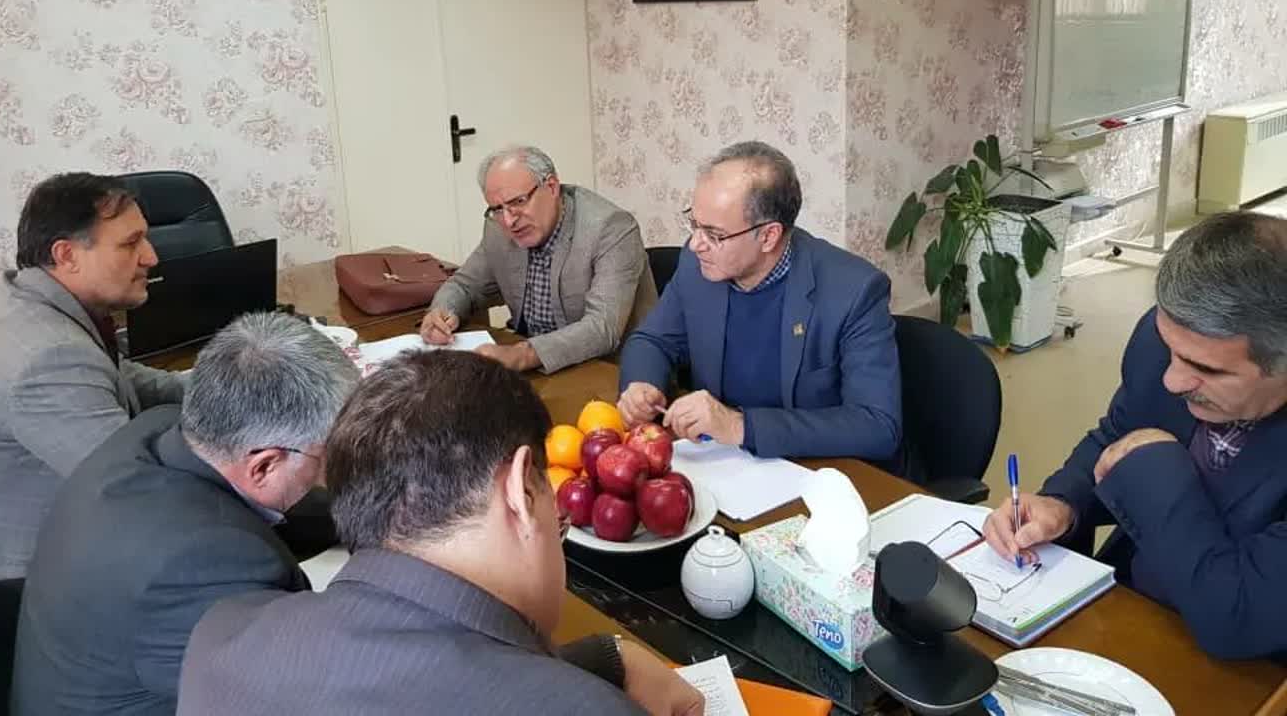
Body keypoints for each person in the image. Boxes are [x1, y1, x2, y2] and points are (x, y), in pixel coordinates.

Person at [177, 350, 704, 716]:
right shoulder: (583, 709)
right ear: (521, 492)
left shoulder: (223, 635)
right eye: (555, 511)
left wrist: (604, 658)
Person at [10, 312, 358, 716]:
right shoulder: (203, 564)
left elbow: (267, 507)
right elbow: (306, 687)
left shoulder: (159, 432)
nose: (331, 473)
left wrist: (379, 511)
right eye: (329, 457)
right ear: (264, 464)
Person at [984, 212, 1287, 661]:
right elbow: (1117, 435)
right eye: (1171, 349)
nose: (1172, 380)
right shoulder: (1171, 336)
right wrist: (1062, 504)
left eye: (1206, 369)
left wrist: (1157, 467)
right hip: (1129, 612)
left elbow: (1237, 619)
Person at [0, 172, 187, 590]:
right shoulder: (47, 357)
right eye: (130, 243)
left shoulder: (23, 297)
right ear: (67, 255)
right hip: (16, 587)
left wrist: (229, 388)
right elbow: (140, 485)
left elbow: (120, 376)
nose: (151, 257)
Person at [618, 141, 901, 462]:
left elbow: (877, 426)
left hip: (815, 470)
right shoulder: (698, 266)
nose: (696, 244)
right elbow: (653, 340)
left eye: (714, 234)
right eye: (694, 223)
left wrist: (741, 427)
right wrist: (642, 385)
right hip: (723, 461)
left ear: (768, 236)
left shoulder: (854, 290)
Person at [420, 145, 657, 374]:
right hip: (537, 369)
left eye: (518, 202)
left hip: (612, 372)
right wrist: (442, 312)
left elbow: (602, 329)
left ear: (551, 187)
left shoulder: (610, 228)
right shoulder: (498, 227)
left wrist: (522, 355)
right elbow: (464, 285)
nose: (509, 221)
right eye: (498, 209)